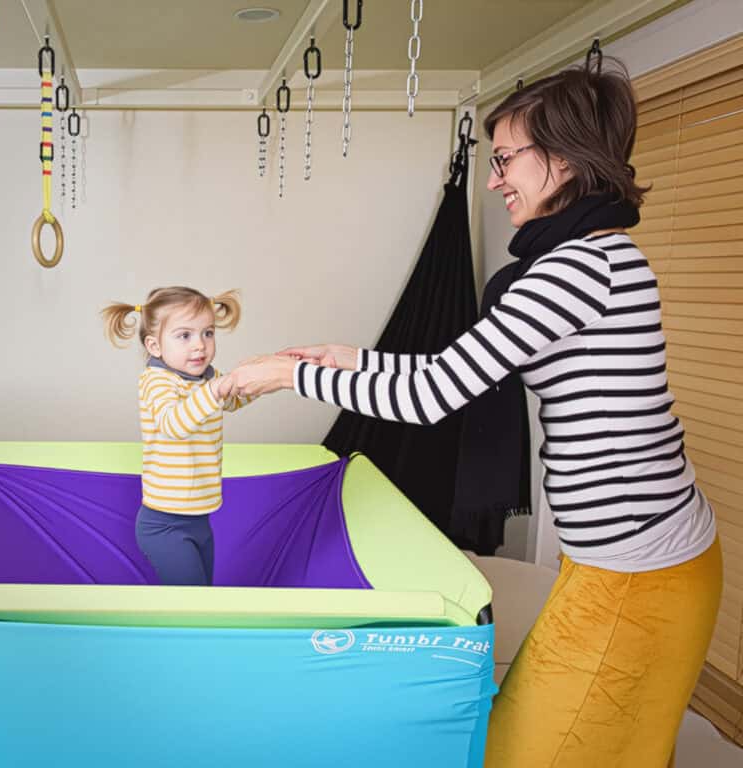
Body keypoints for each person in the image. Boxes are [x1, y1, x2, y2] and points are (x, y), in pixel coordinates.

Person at [227, 59, 722, 767]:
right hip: (629, 559)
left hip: (638, 569)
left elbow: (431, 396)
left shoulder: (576, 269)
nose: (494, 181)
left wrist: (287, 376)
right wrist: (348, 360)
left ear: (563, 158)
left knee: (534, 752)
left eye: (506, 159)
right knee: (607, 742)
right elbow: (453, 369)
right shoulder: (596, 256)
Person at [102, 286, 254, 586]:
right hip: (164, 524)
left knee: (202, 596)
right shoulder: (156, 381)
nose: (200, 345)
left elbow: (233, 400)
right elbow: (173, 423)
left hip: (200, 518)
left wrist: (263, 380)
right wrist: (214, 390)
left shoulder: (207, 377)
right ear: (155, 345)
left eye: (208, 333)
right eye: (184, 336)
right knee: (193, 601)